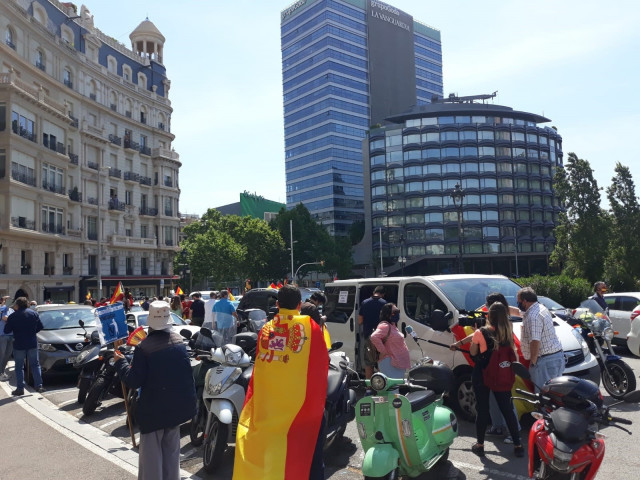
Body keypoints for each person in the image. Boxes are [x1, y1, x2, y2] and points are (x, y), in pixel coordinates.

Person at [233, 285, 329, 480]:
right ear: (300, 305)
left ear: (277, 304)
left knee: (272, 457)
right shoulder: (310, 328)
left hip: (269, 410)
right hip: (300, 411)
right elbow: (321, 364)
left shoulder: (266, 329)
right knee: (310, 458)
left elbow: (260, 369)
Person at [115, 300, 196, 480]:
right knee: (171, 455)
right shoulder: (179, 341)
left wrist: (120, 362)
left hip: (154, 411)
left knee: (151, 460)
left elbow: (134, 380)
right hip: (177, 408)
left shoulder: (144, 347)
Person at [466, 302, 524, 458]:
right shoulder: (507, 331)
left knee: (483, 410)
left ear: (489, 316)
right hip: (502, 374)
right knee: (507, 409)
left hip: (483, 374)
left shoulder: (481, 332)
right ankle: (518, 445)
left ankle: (480, 445)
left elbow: (473, 352)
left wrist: (475, 333)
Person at [517, 286, 564, 390]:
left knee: (544, 396)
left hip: (544, 362)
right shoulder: (539, 308)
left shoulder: (533, 316)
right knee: (555, 393)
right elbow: (518, 312)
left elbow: (535, 341)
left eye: (519, 301)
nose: (518, 304)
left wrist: (533, 363)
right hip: (555, 357)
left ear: (524, 301)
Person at [3, 297, 44, 395]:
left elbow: (6, 331)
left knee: (19, 367)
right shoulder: (33, 313)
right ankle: (39, 386)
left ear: (17, 305)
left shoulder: (13, 316)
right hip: (32, 342)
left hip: (19, 343)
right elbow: (40, 327)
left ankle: (20, 388)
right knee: (35, 365)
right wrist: (32, 332)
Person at [369, 303, 410, 379]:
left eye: (398, 311)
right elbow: (374, 337)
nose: (398, 314)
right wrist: (383, 351)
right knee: (392, 388)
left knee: (395, 387)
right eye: (395, 312)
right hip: (389, 363)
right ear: (388, 314)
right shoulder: (385, 326)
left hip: (397, 363)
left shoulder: (393, 326)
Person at [358, 286, 387, 379]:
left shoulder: (365, 302)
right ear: (383, 294)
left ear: (374, 292)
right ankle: (379, 386)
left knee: (368, 363)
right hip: (381, 338)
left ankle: (369, 388)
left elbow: (360, 320)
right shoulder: (384, 303)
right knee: (381, 362)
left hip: (369, 337)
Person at [0, 296, 15, 381]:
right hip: (2, 335)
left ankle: (2, 372)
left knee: (7, 355)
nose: (8, 301)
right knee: (1, 355)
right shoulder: (1, 309)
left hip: (11, 335)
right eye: (6, 300)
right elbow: (4, 318)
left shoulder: (11, 310)